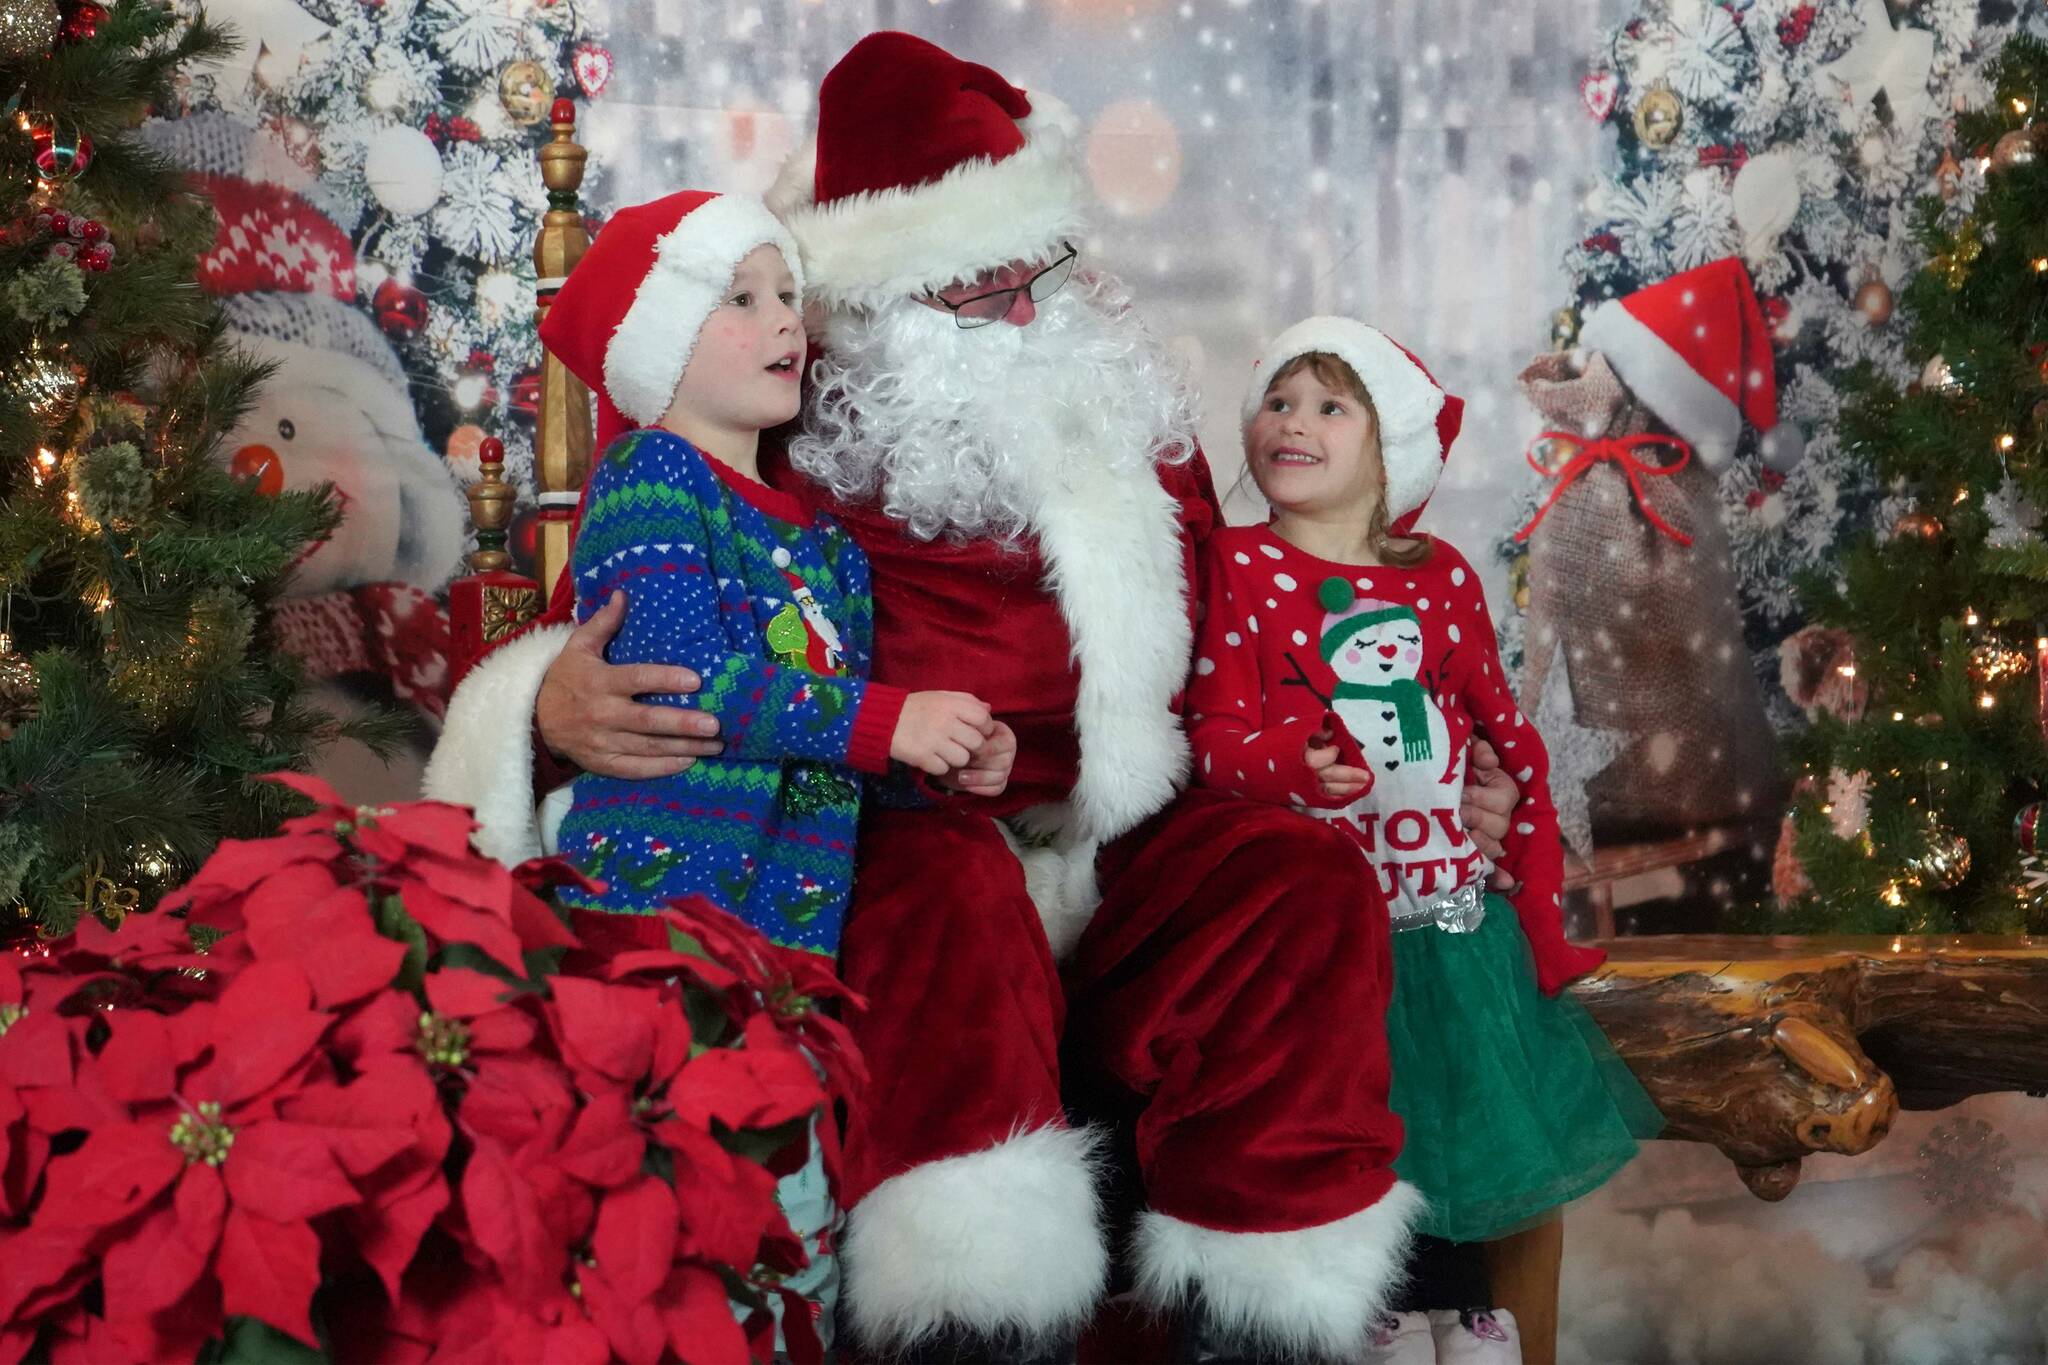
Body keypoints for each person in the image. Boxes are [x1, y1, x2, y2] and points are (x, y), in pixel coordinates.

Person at [428, 34, 1522, 1364]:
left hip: (1119, 845)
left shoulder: (1124, 416)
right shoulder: (769, 412)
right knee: (950, 887)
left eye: (1037, 274)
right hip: (890, 834)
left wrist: (1436, 753)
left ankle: (1265, 1318)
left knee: (1298, 883)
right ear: (880, 294)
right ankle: (974, 1320)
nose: (1024, 310)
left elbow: (1262, 640)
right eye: (978, 289)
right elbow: (618, 614)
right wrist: (549, 704)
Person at [1187, 318, 1661, 1365]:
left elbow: (1502, 729)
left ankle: (1469, 1306)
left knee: (1462, 1109)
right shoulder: (1236, 565)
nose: (1289, 422)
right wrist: (1287, 763)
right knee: (1369, 1114)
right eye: (1275, 400)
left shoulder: (1438, 574)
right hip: (1325, 931)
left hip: (1447, 915)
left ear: (1388, 444)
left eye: (1326, 404)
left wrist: (1524, 885)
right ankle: (1383, 1307)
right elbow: (1211, 735)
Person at [528, 187, 1013, 954]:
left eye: (788, 294)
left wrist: (935, 759)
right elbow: (678, 678)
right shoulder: (651, 473)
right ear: (663, 339)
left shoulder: (830, 547)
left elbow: (825, 750)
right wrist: (891, 719)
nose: (786, 318)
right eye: (742, 299)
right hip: (663, 903)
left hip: (793, 930)